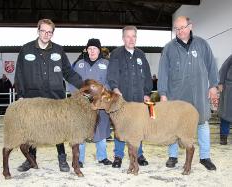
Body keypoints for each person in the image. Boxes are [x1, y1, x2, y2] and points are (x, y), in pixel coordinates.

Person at [14, 18, 83, 173]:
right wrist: (21, 95)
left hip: (55, 98)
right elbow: (20, 74)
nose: (46, 34)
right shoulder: (26, 50)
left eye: (49, 32)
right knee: (32, 129)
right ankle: (31, 160)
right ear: (38, 30)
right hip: (33, 98)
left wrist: (83, 85)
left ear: (52, 33)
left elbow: (68, 72)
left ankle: (62, 159)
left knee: (58, 128)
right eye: (43, 31)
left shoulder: (58, 50)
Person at [158, 16, 219, 170]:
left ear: (190, 26)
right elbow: (163, 72)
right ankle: (173, 156)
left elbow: (212, 65)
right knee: (174, 125)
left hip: (199, 93)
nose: (180, 31)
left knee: (202, 123)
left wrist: (213, 86)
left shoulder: (202, 44)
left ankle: (205, 157)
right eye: (177, 29)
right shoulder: (169, 48)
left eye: (183, 27)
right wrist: (163, 93)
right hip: (177, 96)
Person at [107, 25, 153, 168]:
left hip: (139, 99)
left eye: (133, 36)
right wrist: (115, 88)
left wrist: (147, 93)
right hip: (123, 100)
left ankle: (139, 154)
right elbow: (112, 74)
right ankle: (118, 156)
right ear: (123, 38)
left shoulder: (141, 54)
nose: (131, 39)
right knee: (121, 127)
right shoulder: (116, 54)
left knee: (138, 127)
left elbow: (147, 75)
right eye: (128, 36)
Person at [68, 38, 112, 168]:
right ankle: (79, 159)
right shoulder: (79, 63)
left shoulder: (106, 63)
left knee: (101, 128)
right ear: (86, 50)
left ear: (100, 50)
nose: (92, 51)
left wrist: (102, 95)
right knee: (81, 130)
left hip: (100, 103)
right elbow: (71, 81)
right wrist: (77, 96)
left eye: (95, 49)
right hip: (82, 104)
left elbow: (110, 81)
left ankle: (102, 157)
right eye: (90, 49)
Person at [218, 54, 232, 145]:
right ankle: (223, 137)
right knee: (226, 113)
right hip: (229, 87)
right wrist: (220, 82)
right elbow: (223, 68)